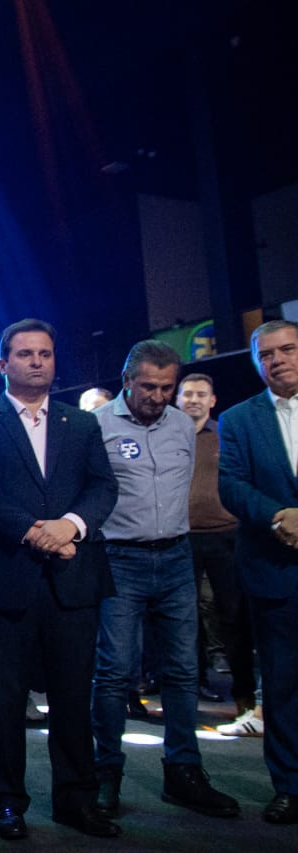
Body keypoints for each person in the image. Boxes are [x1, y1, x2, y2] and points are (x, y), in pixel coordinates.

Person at [0, 319, 120, 839]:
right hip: (3, 581)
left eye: (45, 354)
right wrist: (35, 532)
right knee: (3, 701)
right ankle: (7, 802)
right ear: (3, 364)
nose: (37, 362)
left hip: (73, 581)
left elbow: (102, 488)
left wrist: (69, 526)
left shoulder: (82, 424)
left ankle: (77, 798)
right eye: (24, 354)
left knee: (73, 698)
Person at [91, 341, 239, 820]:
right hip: (120, 558)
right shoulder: (97, 426)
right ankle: (105, 772)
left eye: (167, 387)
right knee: (115, 674)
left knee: (181, 673)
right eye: (149, 386)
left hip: (177, 556)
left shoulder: (181, 425)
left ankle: (184, 772)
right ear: (127, 380)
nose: (158, 396)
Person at [218, 319, 298, 824]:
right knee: (284, 683)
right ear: (255, 362)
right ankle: (289, 785)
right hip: (274, 566)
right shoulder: (239, 419)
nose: (278, 360)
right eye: (266, 354)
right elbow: (231, 485)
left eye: (287, 349)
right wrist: (279, 516)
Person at [177, 373, 255, 720]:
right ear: (177, 399)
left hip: (227, 535)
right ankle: (189, 688)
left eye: (200, 394)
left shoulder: (227, 433)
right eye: (187, 393)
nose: (193, 399)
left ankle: (244, 693)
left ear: (212, 401)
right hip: (182, 537)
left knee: (234, 615)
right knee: (184, 617)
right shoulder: (168, 436)